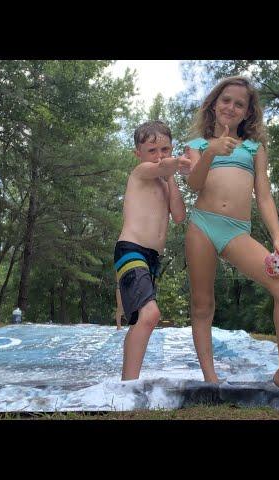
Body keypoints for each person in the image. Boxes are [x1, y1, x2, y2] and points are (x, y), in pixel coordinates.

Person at [184, 76, 279, 389]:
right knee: (202, 304)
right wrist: (211, 151)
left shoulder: (254, 149)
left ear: (248, 112)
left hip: (236, 232)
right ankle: (210, 378)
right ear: (214, 104)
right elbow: (194, 185)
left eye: (239, 104)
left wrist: (277, 238)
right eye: (226, 100)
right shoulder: (195, 146)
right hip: (202, 225)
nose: (231, 107)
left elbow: (263, 196)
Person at [114, 120, 190, 380]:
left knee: (139, 321)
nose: (159, 156)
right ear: (139, 155)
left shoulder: (165, 182)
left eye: (166, 149)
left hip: (152, 259)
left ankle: (127, 380)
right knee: (150, 314)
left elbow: (179, 215)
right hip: (130, 250)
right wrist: (179, 163)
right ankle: (129, 385)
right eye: (152, 150)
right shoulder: (140, 174)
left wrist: (172, 179)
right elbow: (158, 167)